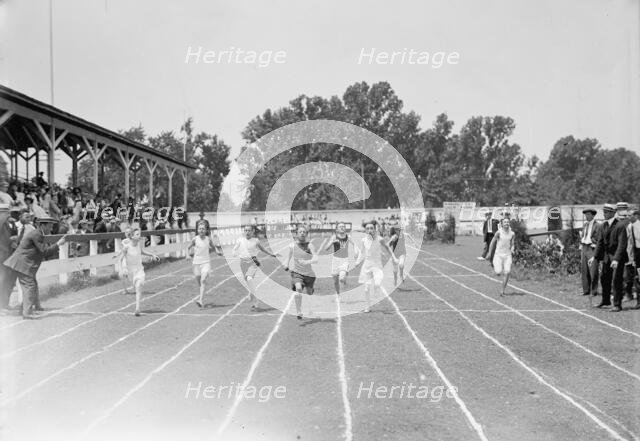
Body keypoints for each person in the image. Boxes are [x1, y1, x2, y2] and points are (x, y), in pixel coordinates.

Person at [3, 216, 67, 319]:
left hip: (22, 264)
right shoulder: (37, 234)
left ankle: (27, 309)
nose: (51, 229)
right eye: (49, 226)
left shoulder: (38, 233)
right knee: (30, 286)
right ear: (42, 225)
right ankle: (27, 313)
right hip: (22, 264)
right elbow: (45, 252)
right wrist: (58, 244)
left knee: (32, 285)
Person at [232, 225, 279, 310]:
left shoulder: (256, 241)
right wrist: (234, 252)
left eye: (249, 230)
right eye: (246, 230)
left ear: (252, 231)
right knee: (247, 280)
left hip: (253, 262)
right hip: (242, 262)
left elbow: (262, 249)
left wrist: (271, 254)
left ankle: (256, 301)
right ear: (244, 231)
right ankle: (250, 293)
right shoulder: (240, 240)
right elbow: (235, 248)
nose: (247, 232)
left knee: (249, 278)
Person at [357, 220, 397, 313]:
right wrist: (358, 261)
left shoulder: (380, 239)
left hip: (377, 265)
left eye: (371, 228)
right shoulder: (363, 240)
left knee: (377, 284)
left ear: (374, 229)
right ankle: (367, 306)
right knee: (366, 288)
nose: (369, 230)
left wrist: (394, 258)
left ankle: (376, 292)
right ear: (365, 230)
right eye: (367, 228)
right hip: (367, 266)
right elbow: (362, 252)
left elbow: (387, 247)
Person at [119, 228, 159, 316]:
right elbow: (121, 258)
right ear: (132, 236)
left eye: (139, 234)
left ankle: (137, 308)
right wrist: (123, 269)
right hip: (130, 272)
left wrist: (152, 255)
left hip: (139, 270)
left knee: (138, 286)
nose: (139, 236)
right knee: (135, 286)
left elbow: (142, 252)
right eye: (137, 234)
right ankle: (137, 307)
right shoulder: (127, 247)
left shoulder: (138, 245)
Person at [285, 224, 318, 320]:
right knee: (298, 289)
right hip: (297, 273)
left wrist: (307, 261)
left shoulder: (310, 245)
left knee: (309, 292)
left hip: (309, 274)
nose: (302, 233)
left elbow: (316, 259)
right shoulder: (292, 245)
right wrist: (286, 264)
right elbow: (288, 256)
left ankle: (311, 291)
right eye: (300, 232)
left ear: (307, 234)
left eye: (304, 232)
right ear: (296, 234)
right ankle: (299, 311)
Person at [186, 222, 223, 308]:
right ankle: (202, 290)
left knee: (202, 280)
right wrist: (187, 255)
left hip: (206, 262)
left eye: (203, 229)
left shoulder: (208, 239)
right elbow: (188, 247)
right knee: (200, 281)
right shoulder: (195, 239)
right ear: (197, 230)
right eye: (200, 229)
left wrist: (217, 251)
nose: (201, 230)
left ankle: (200, 300)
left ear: (206, 230)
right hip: (196, 263)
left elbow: (213, 247)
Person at [321, 223, 360, 296]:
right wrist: (332, 242)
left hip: (344, 260)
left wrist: (355, 252)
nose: (342, 228)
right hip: (335, 260)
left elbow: (354, 244)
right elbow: (326, 249)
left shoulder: (348, 236)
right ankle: (338, 293)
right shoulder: (334, 237)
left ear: (345, 228)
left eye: (343, 227)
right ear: (337, 229)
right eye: (340, 227)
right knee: (335, 281)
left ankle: (344, 279)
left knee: (341, 278)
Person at [594, 204, 617, 308]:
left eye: (607, 212)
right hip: (606, 257)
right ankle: (605, 300)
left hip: (616, 256)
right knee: (604, 278)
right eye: (604, 212)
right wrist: (596, 257)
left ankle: (617, 303)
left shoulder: (618, 225)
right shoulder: (603, 225)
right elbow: (600, 242)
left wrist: (617, 258)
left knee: (616, 280)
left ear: (613, 213)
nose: (604, 214)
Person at [609, 202, 630, 312]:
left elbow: (622, 244)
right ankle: (616, 301)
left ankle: (617, 303)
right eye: (619, 209)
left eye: (623, 209)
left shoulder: (624, 224)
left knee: (619, 279)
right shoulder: (615, 224)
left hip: (621, 255)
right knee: (617, 279)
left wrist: (616, 259)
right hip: (613, 255)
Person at [488, 218, 515, 296]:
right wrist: (490, 253)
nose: (507, 223)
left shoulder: (512, 233)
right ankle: (496, 271)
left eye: (508, 222)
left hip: (507, 255)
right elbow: (492, 242)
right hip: (498, 255)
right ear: (502, 224)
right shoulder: (498, 232)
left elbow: (512, 244)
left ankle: (502, 291)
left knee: (507, 272)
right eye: (505, 222)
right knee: (498, 271)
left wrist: (512, 249)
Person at [580, 208, 600, 296]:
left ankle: (594, 290)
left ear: (593, 215)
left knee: (593, 269)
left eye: (588, 214)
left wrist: (594, 244)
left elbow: (599, 238)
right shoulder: (585, 224)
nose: (586, 216)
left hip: (592, 248)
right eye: (585, 215)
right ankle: (586, 290)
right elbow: (583, 235)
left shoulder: (597, 225)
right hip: (584, 247)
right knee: (584, 270)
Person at [626, 209, 640, 309]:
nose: (628, 217)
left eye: (630, 215)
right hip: (635, 255)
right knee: (637, 278)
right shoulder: (630, 227)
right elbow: (630, 243)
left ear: (636, 215)